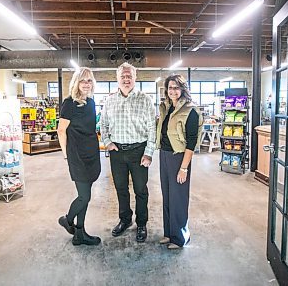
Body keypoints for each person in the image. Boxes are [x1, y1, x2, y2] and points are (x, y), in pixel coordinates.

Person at [100, 63, 156, 242]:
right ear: (117, 79)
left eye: (129, 76)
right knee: (121, 188)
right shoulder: (109, 100)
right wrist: (107, 142)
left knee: (140, 189)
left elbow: (152, 128)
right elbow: (103, 124)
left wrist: (148, 153)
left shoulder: (145, 100)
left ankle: (141, 223)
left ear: (135, 78)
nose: (126, 79)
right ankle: (125, 220)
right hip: (117, 152)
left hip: (139, 151)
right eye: (123, 76)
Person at [156, 74, 202, 249]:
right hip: (165, 155)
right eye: (170, 88)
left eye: (176, 87)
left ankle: (181, 237)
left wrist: (184, 168)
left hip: (180, 157)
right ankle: (169, 233)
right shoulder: (166, 108)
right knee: (167, 196)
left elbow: (192, 141)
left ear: (182, 89)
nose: (173, 91)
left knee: (179, 198)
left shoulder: (191, 110)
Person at [57, 67, 101, 246]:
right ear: (76, 83)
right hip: (76, 156)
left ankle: (80, 234)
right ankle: (67, 220)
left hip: (91, 153)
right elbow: (61, 130)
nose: (86, 84)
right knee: (84, 197)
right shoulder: (69, 103)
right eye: (83, 81)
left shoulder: (90, 102)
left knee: (86, 195)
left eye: (89, 81)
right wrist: (66, 155)